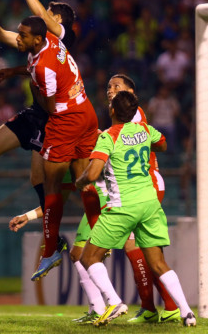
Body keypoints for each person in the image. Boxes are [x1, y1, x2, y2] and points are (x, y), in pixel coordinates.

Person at [0, 0, 100, 282]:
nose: (17, 37)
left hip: (54, 117)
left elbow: (46, 96)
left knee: (45, 180)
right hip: (48, 112)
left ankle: (58, 241)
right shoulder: (42, 46)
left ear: (45, 28)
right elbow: (2, 35)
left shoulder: (53, 41)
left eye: (22, 35)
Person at [10, 74, 180, 324]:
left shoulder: (131, 117)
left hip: (138, 190)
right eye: (109, 86)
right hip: (112, 194)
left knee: (139, 251)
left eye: (117, 86)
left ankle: (158, 306)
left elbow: (136, 146)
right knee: (83, 253)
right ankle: (108, 307)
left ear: (131, 93)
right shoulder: (112, 124)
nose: (111, 90)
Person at [75, 91, 196, 327]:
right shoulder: (145, 130)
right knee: (159, 263)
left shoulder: (108, 137)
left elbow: (93, 172)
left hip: (123, 206)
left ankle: (114, 301)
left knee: (88, 257)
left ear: (112, 111)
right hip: (149, 204)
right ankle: (186, 311)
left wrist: (80, 181)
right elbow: (162, 144)